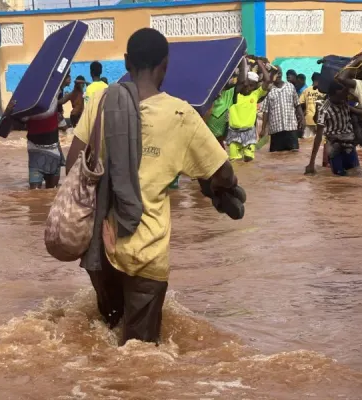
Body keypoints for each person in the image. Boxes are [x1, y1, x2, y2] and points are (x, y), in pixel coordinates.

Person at [65, 28, 239, 345]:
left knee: (103, 340)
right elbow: (223, 172)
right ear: (165, 65)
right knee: (139, 354)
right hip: (146, 251)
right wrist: (220, 189)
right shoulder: (180, 113)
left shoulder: (101, 103)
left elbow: (74, 166)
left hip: (100, 249)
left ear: (126, 61)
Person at [2, 96, 63, 190]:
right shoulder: (25, 108)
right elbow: (5, 129)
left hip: (53, 153)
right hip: (37, 153)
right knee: (39, 193)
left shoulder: (52, 101)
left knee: (51, 192)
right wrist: (9, 111)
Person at [305, 82, 358, 176]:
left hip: (350, 146)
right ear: (335, 93)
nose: (346, 93)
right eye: (343, 92)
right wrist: (311, 162)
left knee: (355, 174)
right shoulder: (323, 110)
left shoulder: (345, 102)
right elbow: (318, 137)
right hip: (335, 148)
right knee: (338, 178)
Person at [227, 61, 271, 162]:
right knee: (235, 162)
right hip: (234, 133)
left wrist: (260, 63)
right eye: (247, 85)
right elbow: (240, 80)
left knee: (249, 160)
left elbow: (267, 80)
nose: (249, 88)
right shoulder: (235, 94)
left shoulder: (255, 94)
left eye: (252, 86)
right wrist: (242, 61)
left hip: (249, 133)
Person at [260, 67, 305, 152]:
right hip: (275, 130)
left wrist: (302, 119)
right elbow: (265, 111)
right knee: (275, 156)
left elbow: (297, 104)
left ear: (282, 74)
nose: (278, 75)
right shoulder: (268, 90)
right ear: (271, 75)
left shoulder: (290, 87)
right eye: (275, 73)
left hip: (291, 129)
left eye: (279, 73)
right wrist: (263, 129)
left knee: (294, 155)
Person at [299, 72, 326, 139]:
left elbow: (300, 103)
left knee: (306, 141)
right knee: (321, 142)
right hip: (321, 120)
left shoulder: (306, 90)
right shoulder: (323, 90)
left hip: (309, 119)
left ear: (312, 79)